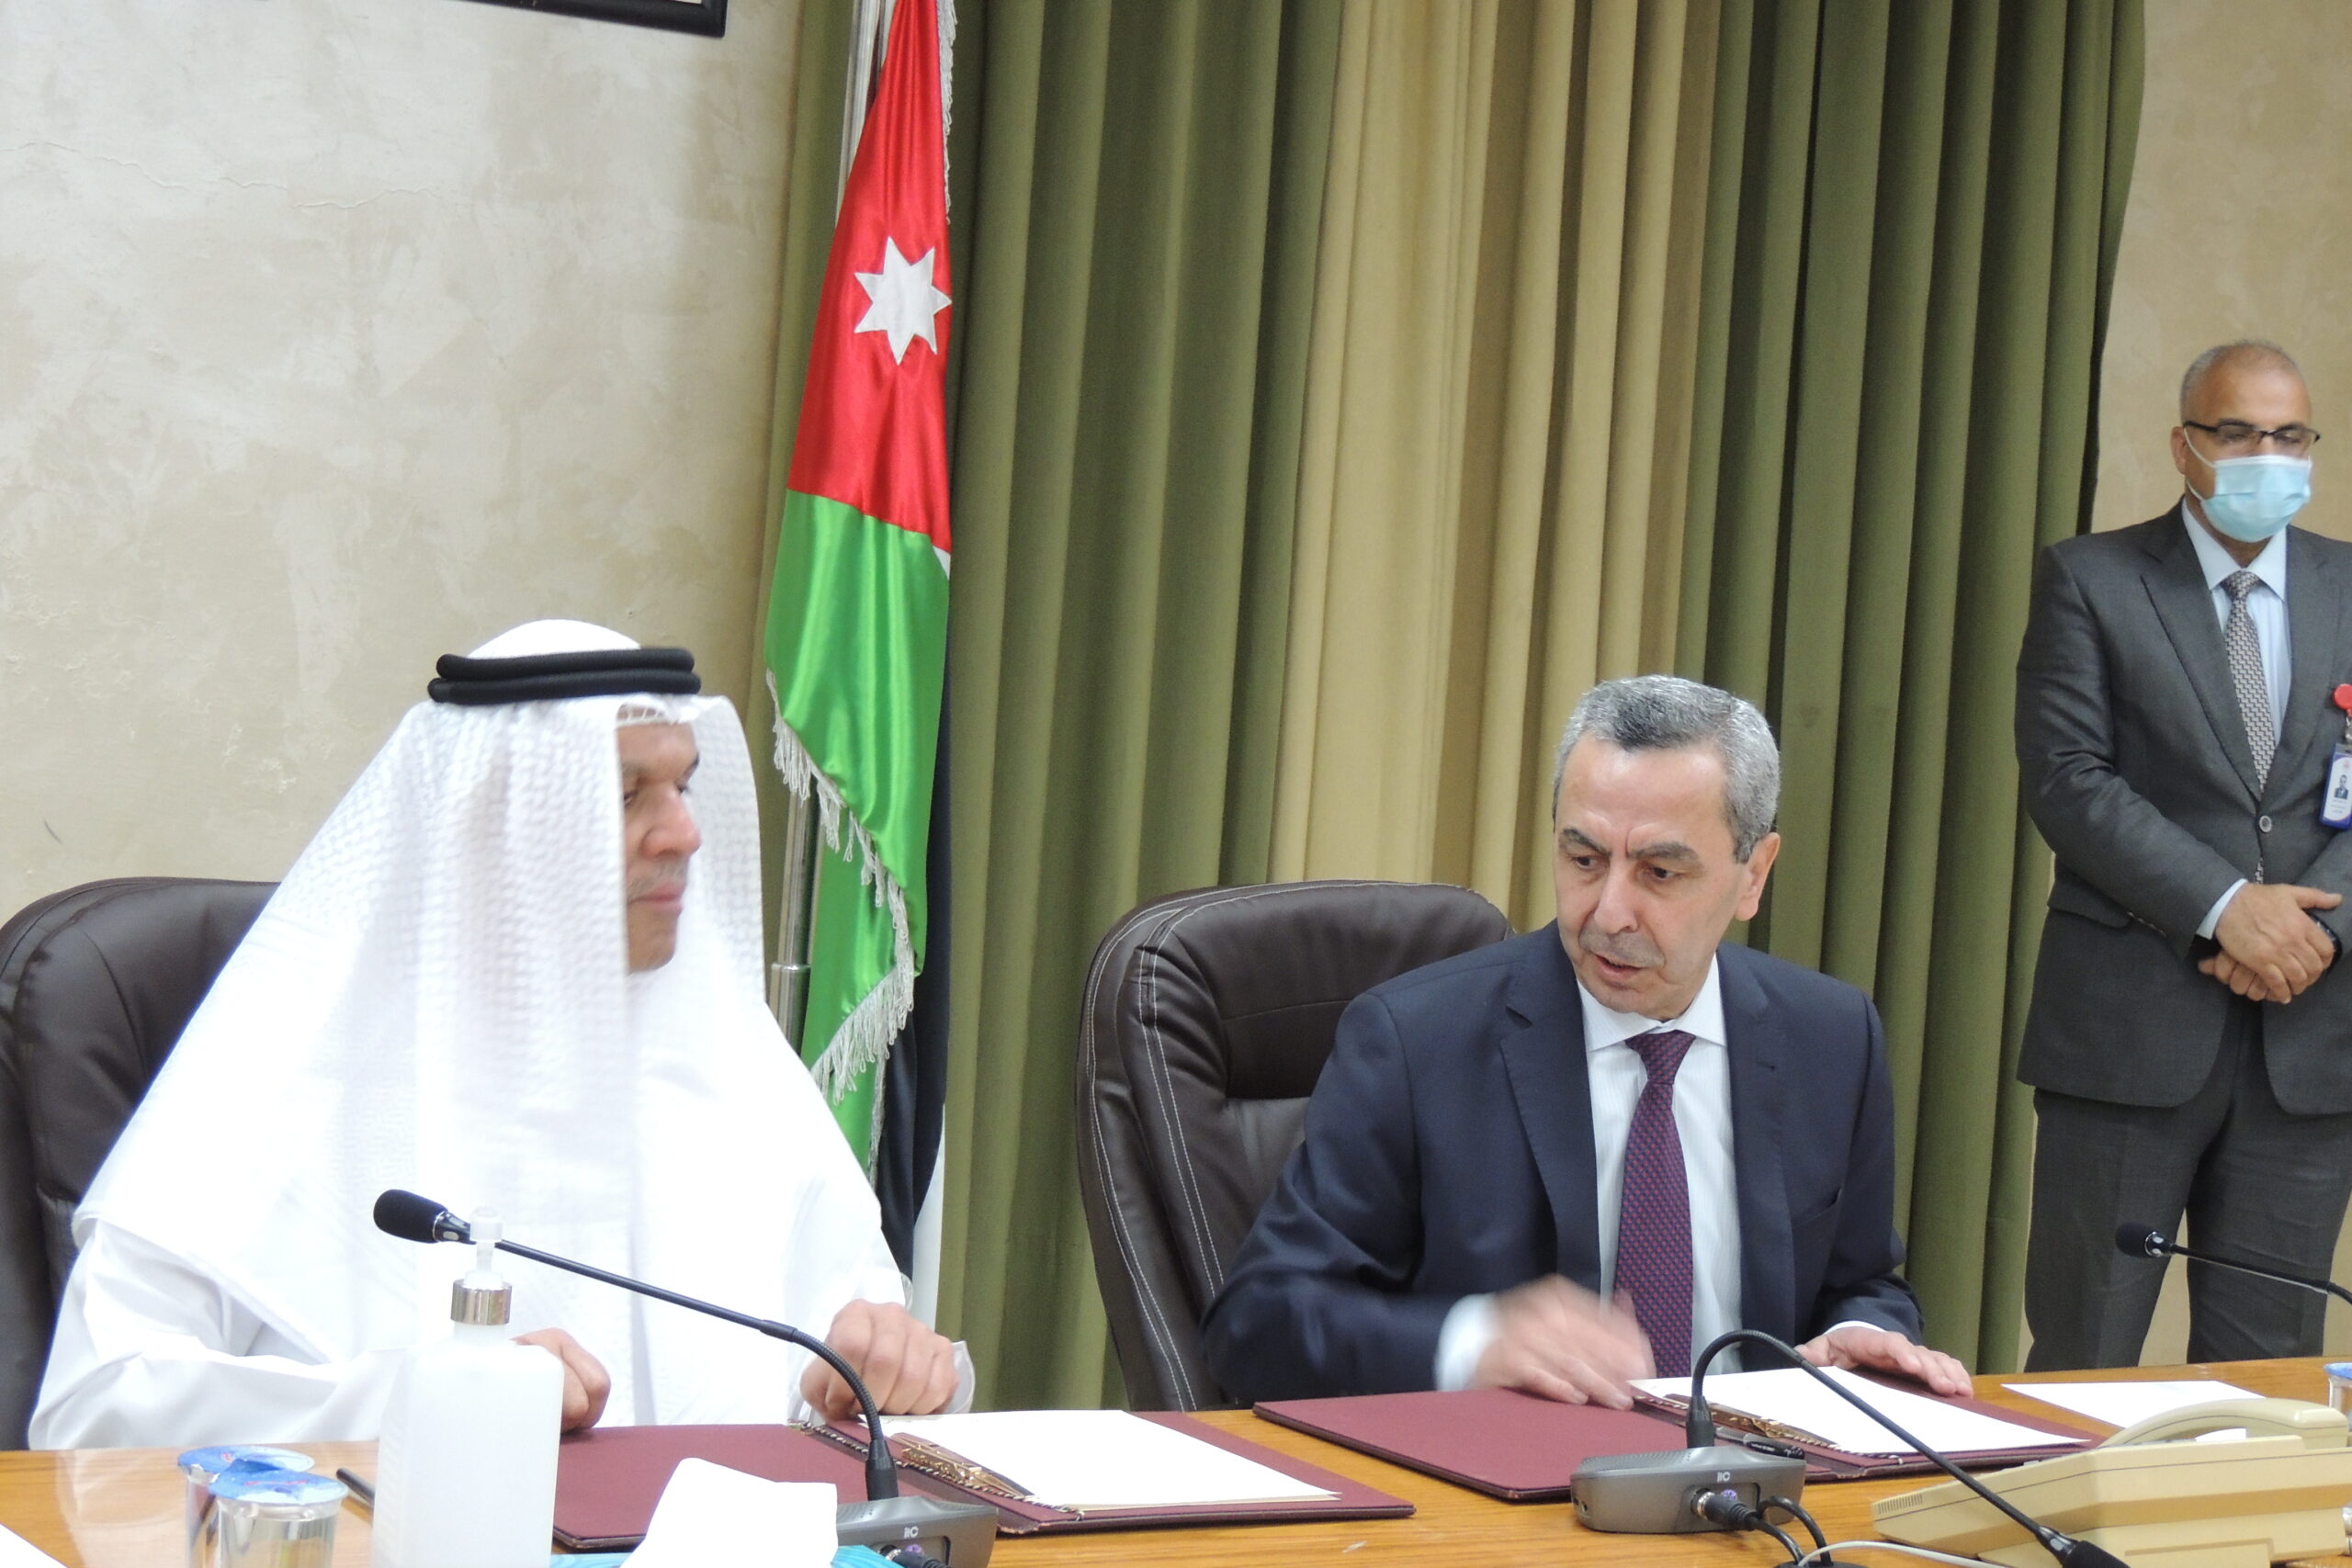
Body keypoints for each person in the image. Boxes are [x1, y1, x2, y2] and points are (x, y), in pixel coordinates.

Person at [31, 620, 967, 1449]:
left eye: (682, 787)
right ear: (488, 825)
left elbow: (844, 1379)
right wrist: (418, 1400)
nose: (683, 833)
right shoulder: (290, 1079)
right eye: (625, 795)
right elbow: (91, 1413)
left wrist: (897, 1374)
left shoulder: (733, 1068)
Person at [1201, 675, 1969, 1406]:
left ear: (1753, 875)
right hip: (1511, 1482)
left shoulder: (1831, 1037)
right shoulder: (1415, 1042)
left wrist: (1863, 1332)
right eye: (1584, 860)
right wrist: (1472, 1342)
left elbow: (1862, 1281)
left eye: (1659, 871)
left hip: (1754, 1480)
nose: (1608, 912)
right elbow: (1258, 1322)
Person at [2017, 341, 2352, 1370]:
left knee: (2268, 1377)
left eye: (2288, 436)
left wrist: (2307, 930)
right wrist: (2226, 906)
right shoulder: (2091, 578)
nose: (2267, 456)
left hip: (2310, 1038)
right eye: (2237, 433)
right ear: (2184, 445)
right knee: (2083, 1358)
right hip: (2130, 1033)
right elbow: (2068, 780)